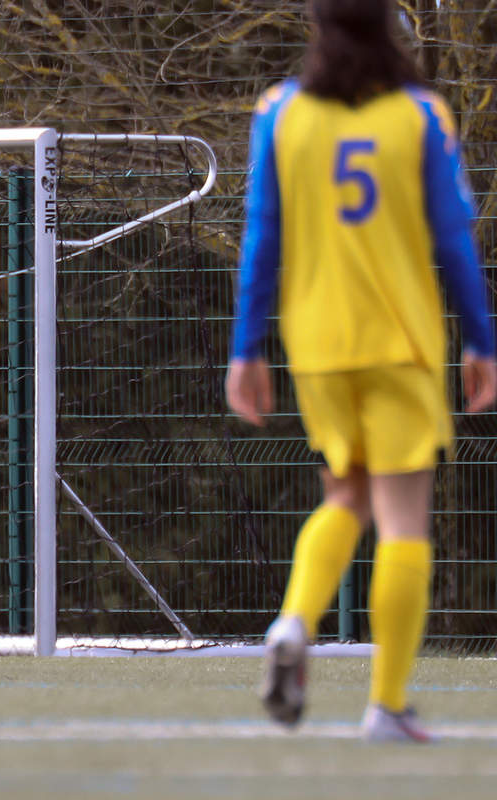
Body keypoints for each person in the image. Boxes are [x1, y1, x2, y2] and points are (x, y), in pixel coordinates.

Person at [226, 0, 497, 743]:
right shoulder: (419, 115)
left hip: (317, 343)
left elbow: (263, 234)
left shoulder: (280, 111)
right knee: (405, 519)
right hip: (400, 340)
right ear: (389, 26)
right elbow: (453, 236)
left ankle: (292, 623)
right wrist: (482, 340)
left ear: (317, 27)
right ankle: (386, 705)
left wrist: (246, 348)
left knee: (345, 494)